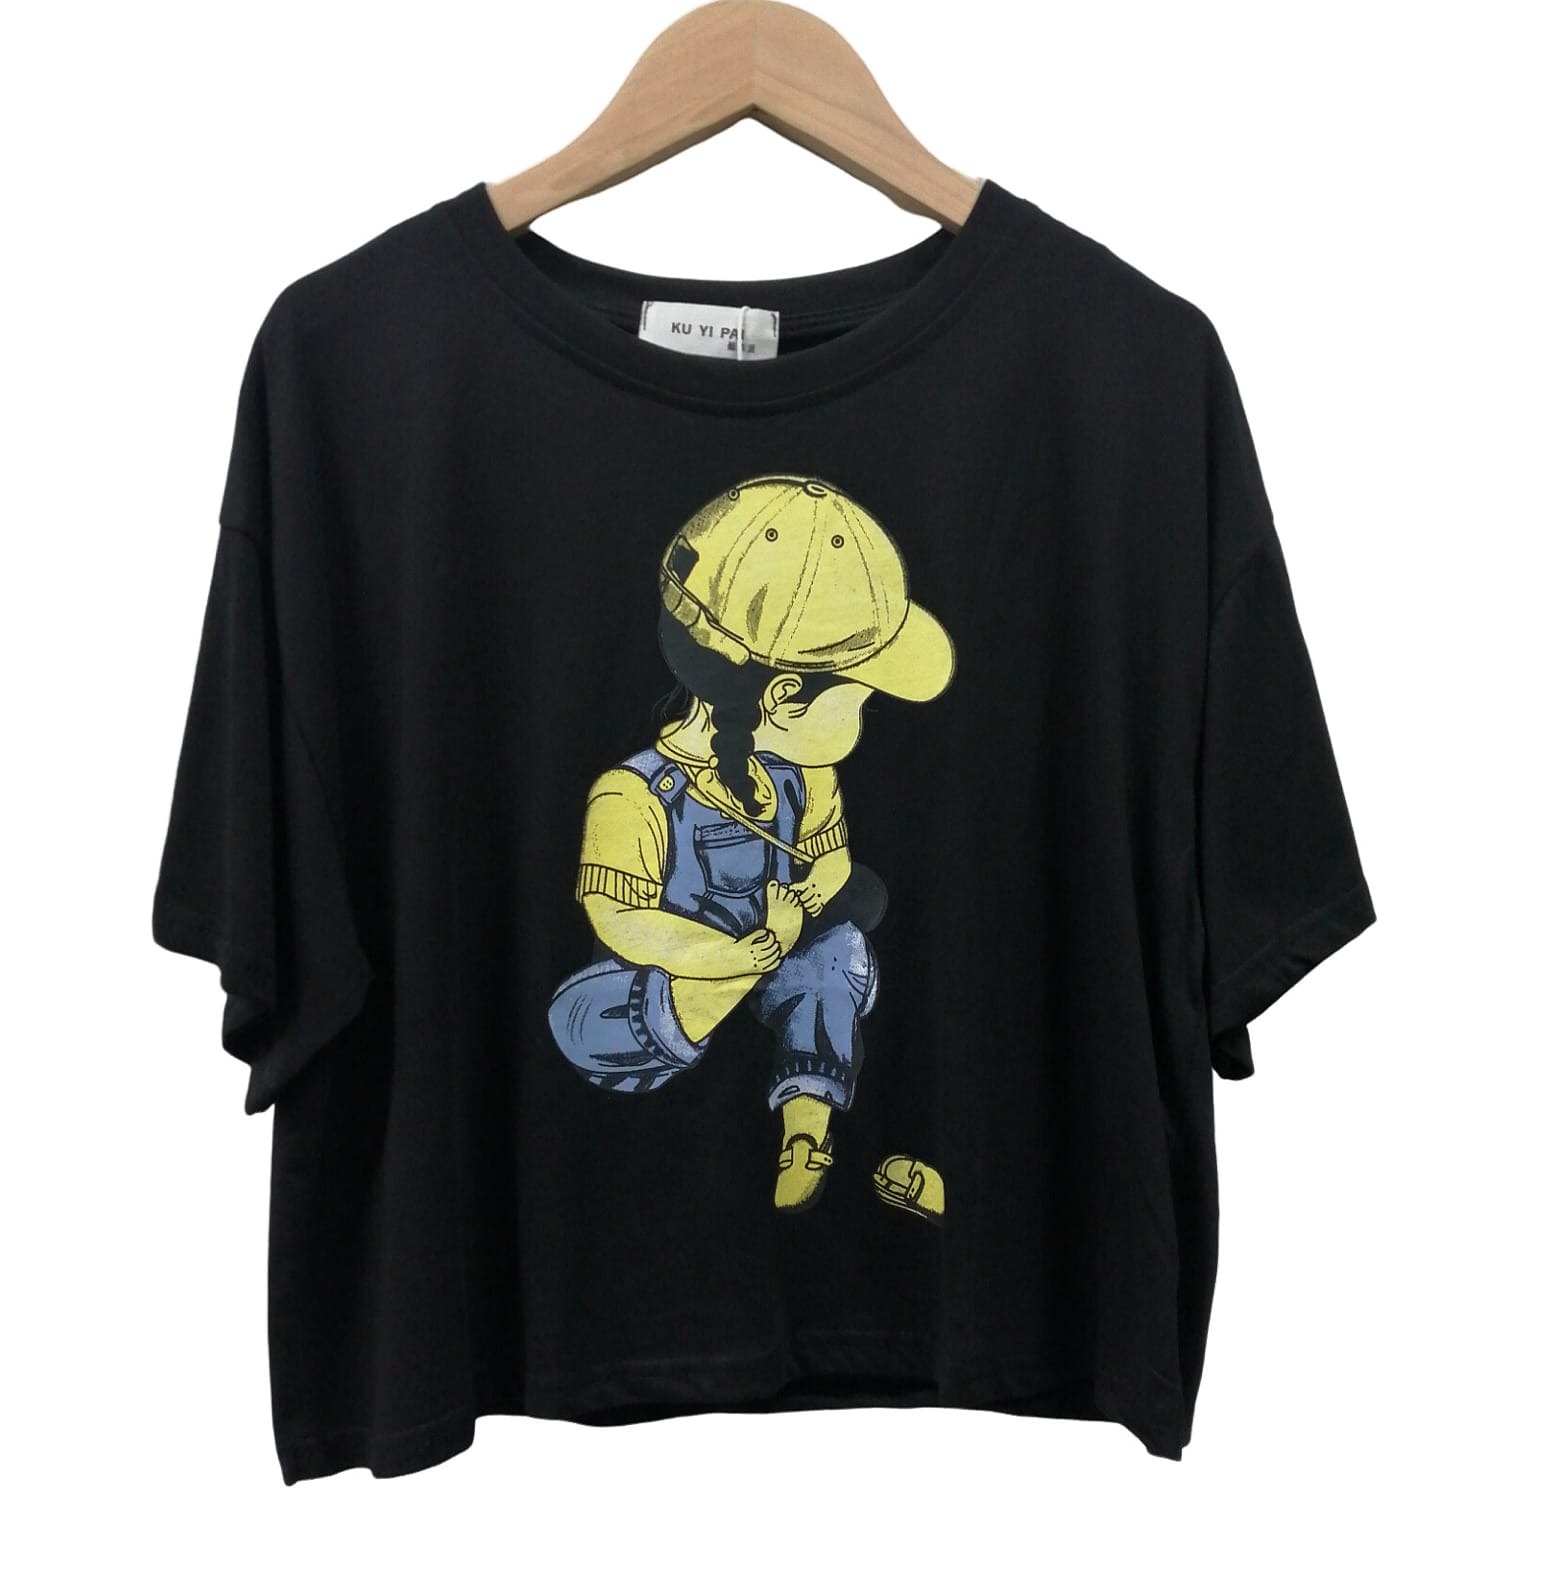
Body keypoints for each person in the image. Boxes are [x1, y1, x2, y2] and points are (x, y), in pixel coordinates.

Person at [548, 475, 956, 1219]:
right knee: (579, 1020)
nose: (864, 719)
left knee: (840, 955)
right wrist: (733, 957)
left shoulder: (807, 777)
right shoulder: (632, 794)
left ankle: (807, 1132)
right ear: (783, 696)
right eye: (859, 700)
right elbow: (620, 921)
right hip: (678, 986)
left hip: (778, 954)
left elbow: (831, 859)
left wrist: (812, 895)